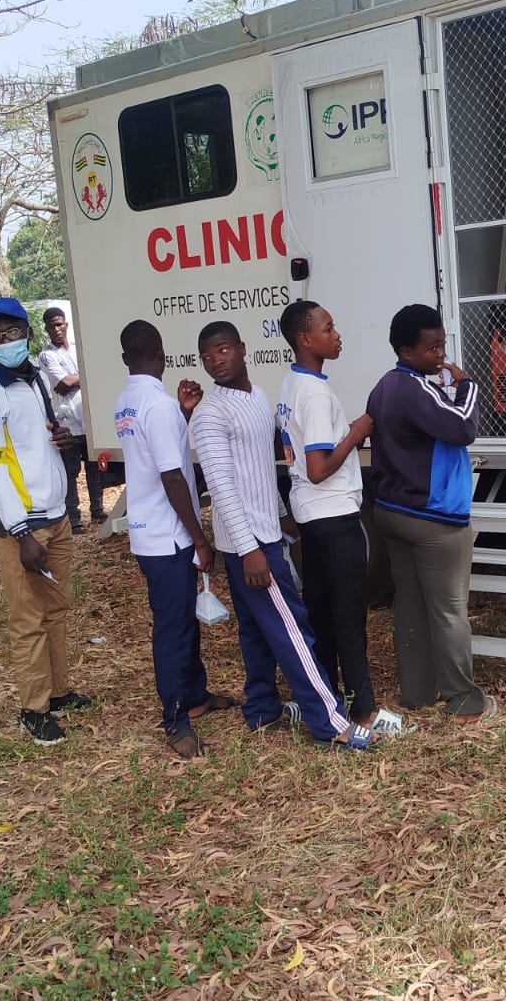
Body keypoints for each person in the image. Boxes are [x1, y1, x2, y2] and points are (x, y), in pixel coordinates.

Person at [189, 320, 377, 752]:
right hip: (248, 543)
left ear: (242, 348)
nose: (215, 360)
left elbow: (259, 473)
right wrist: (252, 548)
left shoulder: (257, 399)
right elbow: (221, 486)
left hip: (262, 532)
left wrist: (281, 518)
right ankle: (330, 724)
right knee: (294, 631)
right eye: (206, 356)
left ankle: (261, 709)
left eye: (222, 350)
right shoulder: (210, 415)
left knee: (256, 630)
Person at [0, 297, 94, 746]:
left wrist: (57, 438)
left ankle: (58, 692)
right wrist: (21, 532)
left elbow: (34, 440)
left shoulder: (35, 380)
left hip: (56, 515)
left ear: (26, 335)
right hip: (23, 527)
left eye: (13, 333)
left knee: (57, 609)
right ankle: (33, 708)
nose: (5, 342)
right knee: (28, 618)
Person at [113, 320, 240, 759]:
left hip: (148, 533)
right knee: (173, 630)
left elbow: (153, 456)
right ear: (162, 354)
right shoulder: (157, 404)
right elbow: (171, 476)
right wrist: (199, 537)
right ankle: (175, 719)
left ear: (127, 357)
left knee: (183, 622)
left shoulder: (128, 401)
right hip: (168, 537)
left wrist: (182, 415)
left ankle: (197, 696)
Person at [276, 300, 404, 730]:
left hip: (312, 519)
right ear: (304, 339)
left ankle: (325, 697)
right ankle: (364, 710)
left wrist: (343, 433)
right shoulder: (313, 392)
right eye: (328, 327)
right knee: (349, 615)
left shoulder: (292, 384)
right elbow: (318, 469)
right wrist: (358, 431)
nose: (337, 334)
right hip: (332, 517)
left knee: (324, 613)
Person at [366, 304, 490, 721]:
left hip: (393, 511)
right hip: (433, 517)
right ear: (405, 350)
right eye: (431, 348)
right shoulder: (414, 388)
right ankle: (464, 699)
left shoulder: (384, 387)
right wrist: (467, 384)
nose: (440, 355)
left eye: (442, 345)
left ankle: (417, 693)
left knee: (411, 606)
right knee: (449, 608)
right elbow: (462, 427)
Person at [39, 306, 106, 533]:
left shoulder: (79, 349)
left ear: (66, 324)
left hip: (88, 418)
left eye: (60, 324)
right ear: (47, 329)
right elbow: (63, 383)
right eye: (52, 326)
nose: (57, 329)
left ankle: (97, 510)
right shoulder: (47, 355)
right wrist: (87, 377)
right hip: (66, 422)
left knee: (94, 467)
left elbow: (93, 373)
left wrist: (80, 378)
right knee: (70, 471)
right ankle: (75, 518)